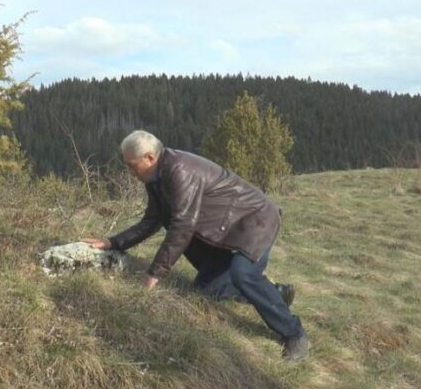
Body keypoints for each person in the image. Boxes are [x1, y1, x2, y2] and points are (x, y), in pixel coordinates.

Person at [82, 130, 310, 361]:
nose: (130, 172)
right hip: (225, 227)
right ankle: (276, 293)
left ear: (149, 158)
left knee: (243, 274)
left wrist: (155, 273)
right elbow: (152, 220)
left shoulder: (179, 169)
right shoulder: (155, 178)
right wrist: (113, 242)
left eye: (132, 165)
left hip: (256, 219)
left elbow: (183, 224)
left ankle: (294, 333)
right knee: (208, 288)